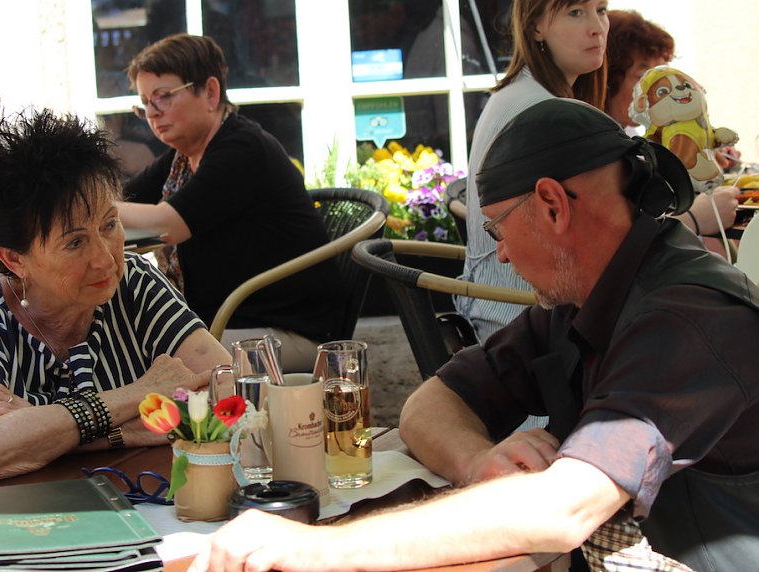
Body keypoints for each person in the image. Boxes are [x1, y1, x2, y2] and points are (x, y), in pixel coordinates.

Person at [189, 99, 759, 572]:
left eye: (495, 229)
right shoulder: (586, 296)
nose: (501, 253)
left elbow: (563, 510)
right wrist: (479, 460)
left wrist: (321, 548)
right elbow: (429, 403)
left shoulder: (688, 316)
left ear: (553, 205)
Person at [0, 109, 232, 500]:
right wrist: (141, 393)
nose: (106, 259)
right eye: (75, 242)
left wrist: (44, 427)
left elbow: (232, 396)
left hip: (111, 502)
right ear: (14, 258)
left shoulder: (134, 282)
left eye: (110, 225)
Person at [117, 34, 342, 372]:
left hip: (288, 335)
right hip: (232, 324)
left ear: (210, 92)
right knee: (126, 343)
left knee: (142, 360)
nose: (151, 113)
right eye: (145, 102)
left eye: (162, 97)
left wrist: (87, 206)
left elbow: (167, 224)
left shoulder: (242, 149)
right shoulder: (182, 158)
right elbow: (125, 198)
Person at [455, 0, 609, 344]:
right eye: (576, 12)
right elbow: (600, 238)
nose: (597, 27)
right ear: (535, 25)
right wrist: (695, 220)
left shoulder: (523, 93)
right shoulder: (541, 110)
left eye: (601, 9)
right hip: (526, 327)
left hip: (501, 312)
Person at [605, 9, 740, 249]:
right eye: (645, 78)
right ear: (609, 77)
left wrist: (706, 151)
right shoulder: (605, 153)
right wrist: (694, 220)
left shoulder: (637, 136)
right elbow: (617, 247)